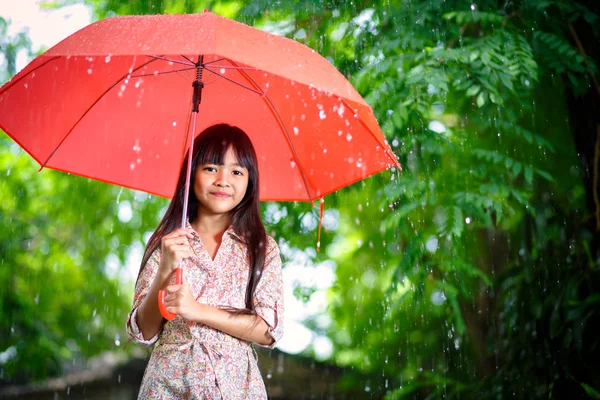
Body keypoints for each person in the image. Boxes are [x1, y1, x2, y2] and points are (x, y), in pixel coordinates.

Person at [126, 124, 284, 399]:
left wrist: (197, 310)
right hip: (168, 387)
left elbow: (267, 330)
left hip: (237, 389)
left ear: (250, 181)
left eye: (236, 172)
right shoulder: (168, 242)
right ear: (191, 174)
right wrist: (165, 268)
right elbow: (143, 330)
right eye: (211, 168)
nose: (223, 180)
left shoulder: (261, 248)